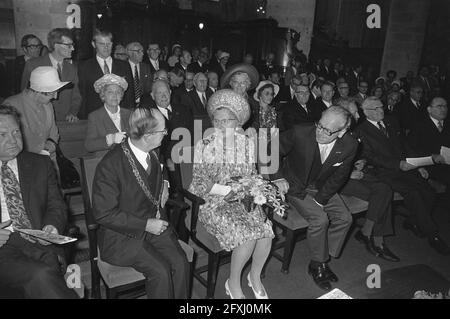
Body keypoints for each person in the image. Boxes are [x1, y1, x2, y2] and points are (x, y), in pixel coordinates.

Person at [92, 107, 189, 299]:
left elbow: (157, 172)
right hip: (121, 236)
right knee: (160, 270)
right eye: (163, 131)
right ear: (148, 136)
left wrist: (165, 184)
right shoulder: (110, 165)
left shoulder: (153, 149)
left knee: (180, 263)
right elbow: (103, 214)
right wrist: (145, 225)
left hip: (154, 224)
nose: (166, 134)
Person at [189, 89, 274, 299]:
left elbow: (251, 174)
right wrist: (225, 190)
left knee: (266, 232)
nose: (221, 125)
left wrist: (255, 190)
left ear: (238, 122)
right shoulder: (205, 145)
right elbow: (200, 184)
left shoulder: (247, 144)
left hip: (242, 199)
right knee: (246, 237)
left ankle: (254, 277)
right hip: (213, 203)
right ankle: (232, 282)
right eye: (217, 121)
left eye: (227, 120)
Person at [271, 106, 357, 291]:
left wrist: (321, 199)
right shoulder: (301, 132)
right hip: (294, 185)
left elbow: (340, 176)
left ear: (342, 132)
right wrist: (277, 176)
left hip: (321, 186)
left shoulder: (350, 144)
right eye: (320, 125)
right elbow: (271, 149)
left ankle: (322, 258)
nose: (320, 132)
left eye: (327, 131)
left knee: (345, 218)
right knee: (320, 219)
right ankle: (318, 264)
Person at [0, 104, 77, 299]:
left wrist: (52, 225)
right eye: (3, 135)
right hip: (3, 246)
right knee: (41, 276)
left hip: (38, 237)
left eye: (16, 132)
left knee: (50, 267)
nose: (13, 140)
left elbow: (56, 204)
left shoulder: (39, 163)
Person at [356, 97, 450, 255]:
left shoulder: (391, 121)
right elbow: (371, 157)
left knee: (429, 191)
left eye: (381, 107)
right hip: (384, 172)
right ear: (366, 113)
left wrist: (418, 166)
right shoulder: (361, 130)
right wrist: (397, 164)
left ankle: (413, 221)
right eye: (376, 109)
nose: (381, 111)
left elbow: (404, 145)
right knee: (413, 193)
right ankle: (432, 234)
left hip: (406, 167)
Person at [337, 99, 399, 262]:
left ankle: (366, 232)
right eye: (355, 113)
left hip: (355, 172)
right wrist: (348, 173)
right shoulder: (330, 132)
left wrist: (361, 161)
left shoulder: (352, 131)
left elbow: (361, 154)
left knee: (385, 189)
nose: (359, 115)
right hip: (337, 180)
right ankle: (377, 242)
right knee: (381, 194)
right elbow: (322, 165)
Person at [4, 67, 67, 160]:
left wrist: (47, 149)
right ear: (37, 91)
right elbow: (6, 143)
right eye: (52, 92)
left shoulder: (48, 105)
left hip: (48, 161)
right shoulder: (11, 106)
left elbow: (54, 134)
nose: (56, 97)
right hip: (23, 165)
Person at [20, 28, 81, 122]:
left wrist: (72, 112)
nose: (73, 48)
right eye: (69, 45)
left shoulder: (72, 68)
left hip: (65, 120)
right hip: (40, 120)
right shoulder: (33, 65)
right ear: (56, 45)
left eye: (72, 45)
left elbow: (76, 95)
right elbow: (25, 94)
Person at [78, 29, 134, 119]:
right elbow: (82, 94)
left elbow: (130, 94)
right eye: (102, 44)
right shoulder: (84, 67)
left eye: (108, 44)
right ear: (94, 44)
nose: (106, 47)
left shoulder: (124, 65)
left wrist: (130, 113)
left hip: (120, 115)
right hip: (95, 115)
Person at [407, 97, 450, 199]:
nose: (443, 109)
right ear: (429, 109)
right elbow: (411, 149)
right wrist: (431, 156)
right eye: (439, 106)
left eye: (445, 106)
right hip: (429, 166)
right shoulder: (418, 125)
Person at [84, 74, 131, 157]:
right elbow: (89, 145)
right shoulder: (95, 116)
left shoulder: (129, 114)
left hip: (128, 161)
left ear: (121, 95)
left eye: (118, 92)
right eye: (110, 92)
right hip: (105, 162)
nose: (114, 95)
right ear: (103, 95)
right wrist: (110, 139)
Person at [220, 64, 260, 129]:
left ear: (247, 84)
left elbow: (257, 123)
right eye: (236, 82)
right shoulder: (224, 102)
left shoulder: (253, 103)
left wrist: (252, 130)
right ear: (231, 83)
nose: (239, 85)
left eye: (243, 83)